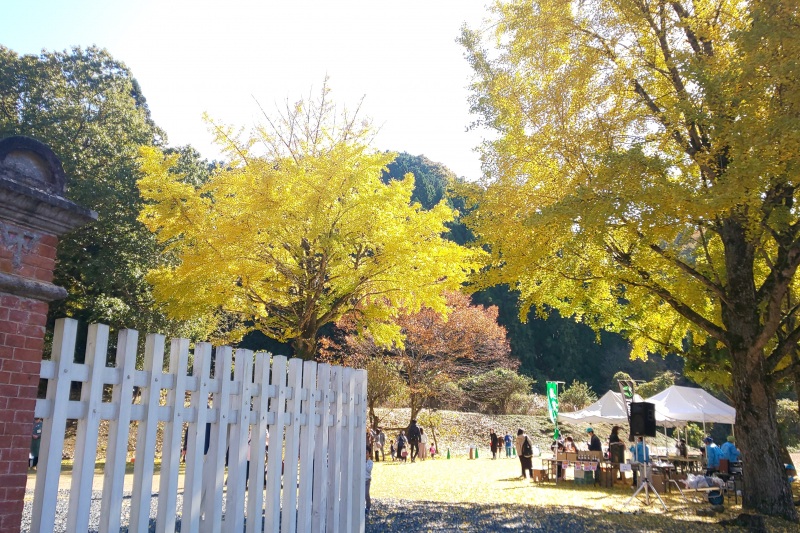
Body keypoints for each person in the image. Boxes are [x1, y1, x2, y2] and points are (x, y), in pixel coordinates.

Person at [365, 445, 373, 516]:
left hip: (367, 480)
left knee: (366, 494)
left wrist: (365, 462)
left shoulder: (370, 462)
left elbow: (368, 469)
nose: (365, 454)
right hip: (361, 480)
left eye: (366, 453)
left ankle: (368, 506)